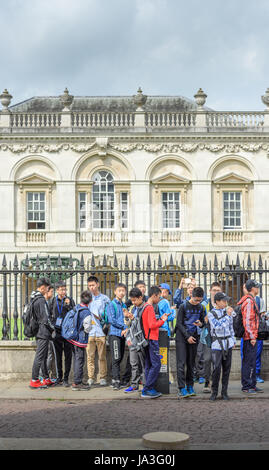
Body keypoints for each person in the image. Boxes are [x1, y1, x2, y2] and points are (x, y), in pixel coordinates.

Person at [175, 286, 206, 398]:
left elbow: (203, 322)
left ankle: (190, 386)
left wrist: (200, 324)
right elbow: (178, 323)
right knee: (181, 363)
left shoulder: (201, 307)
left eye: (199, 300)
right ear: (191, 296)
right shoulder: (183, 306)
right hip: (182, 337)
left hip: (194, 337)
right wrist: (187, 336)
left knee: (191, 363)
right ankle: (181, 388)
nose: (197, 302)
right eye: (195, 299)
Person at [141, 286, 169, 398]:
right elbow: (152, 325)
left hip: (147, 339)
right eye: (159, 297)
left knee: (149, 364)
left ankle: (147, 387)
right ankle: (148, 388)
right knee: (156, 364)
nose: (159, 299)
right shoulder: (150, 308)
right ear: (154, 296)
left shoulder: (144, 306)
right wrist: (162, 320)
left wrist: (159, 319)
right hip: (152, 339)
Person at [207, 292, 236, 401]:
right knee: (216, 369)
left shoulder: (227, 312)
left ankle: (224, 392)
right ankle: (214, 391)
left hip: (227, 343)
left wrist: (232, 340)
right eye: (223, 301)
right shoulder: (211, 313)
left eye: (226, 301)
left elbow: (231, 327)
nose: (225, 303)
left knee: (227, 369)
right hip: (217, 344)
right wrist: (228, 316)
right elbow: (218, 326)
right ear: (217, 302)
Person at [29, 278, 55, 389]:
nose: (48, 290)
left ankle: (45, 378)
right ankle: (34, 380)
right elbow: (46, 318)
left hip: (39, 331)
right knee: (40, 357)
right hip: (43, 331)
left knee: (43, 356)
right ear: (43, 287)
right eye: (48, 288)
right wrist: (53, 329)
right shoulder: (41, 300)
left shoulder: (34, 298)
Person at [238, 279, 263, 394]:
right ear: (252, 288)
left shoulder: (250, 300)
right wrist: (252, 336)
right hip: (249, 337)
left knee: (252, 361)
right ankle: (247, 386)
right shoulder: (249, 301)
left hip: (251, 336)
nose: (258, 288)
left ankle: (252, 385)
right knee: (249, 362)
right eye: (257, 286)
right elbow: (248, 321)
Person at [86, 276, 111, 387]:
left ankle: (103, 377)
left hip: (101, 331)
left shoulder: (105, 298)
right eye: (90, 285)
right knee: (90, 356)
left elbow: (109, 313)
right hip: (90, 332)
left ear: (98, 285)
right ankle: (90, 377)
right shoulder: (86, 298)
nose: (91, 287)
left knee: (102, 356)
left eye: (93, 285)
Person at [50, 281, 75, 387]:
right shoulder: (53, 301)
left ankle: (66, 378)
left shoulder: (70, 300)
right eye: (61, 289)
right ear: (57, 290)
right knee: (58, 356)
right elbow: (49, 315)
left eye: (65, 289)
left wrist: (68, 306)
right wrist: (52, 327)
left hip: (68, 333)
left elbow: (74, 314)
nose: (63, 291)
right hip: (57, 332)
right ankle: (59, 377)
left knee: (68, 356)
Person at [68, 290, 93, 391]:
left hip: (73, 338)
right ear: (90, 300)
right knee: (80, 360)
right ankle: (77, 382)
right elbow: (87, 327)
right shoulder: (86, 311)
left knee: (76, 359)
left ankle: (77, 380)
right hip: (80, 338)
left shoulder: (77, 307)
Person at [107, 283, 130, 390]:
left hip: (122, 334)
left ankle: (115, 378)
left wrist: (126, 326)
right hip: (115, 334)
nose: (121, 293)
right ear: (115, 292)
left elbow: (126, 319)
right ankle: (115, 380)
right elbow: (111, 320)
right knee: (116, 357)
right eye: (119, 290)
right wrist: (123, 327)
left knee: (119, 357)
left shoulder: (124, 305)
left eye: (123, 291)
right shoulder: (112, 304)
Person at [123, 287, 146, 393]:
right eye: (132, 300)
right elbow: (129, 324)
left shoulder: (145, 308)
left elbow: (143, 324)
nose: (133, 302)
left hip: (142, 340)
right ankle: (134, 384)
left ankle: (146, 384)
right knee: (133, 363)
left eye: (135, 300)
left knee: (144, 364)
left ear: (140, 297)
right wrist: (127, 318)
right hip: (132, 340)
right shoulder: (133, 308)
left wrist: (133, 319)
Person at [201, 282, 222, 393]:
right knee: (207, 359)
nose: (215, 292)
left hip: (220, 338)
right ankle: (206, 381)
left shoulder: (223, 304)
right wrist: (203, 321)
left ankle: (215, 382)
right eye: (214, 290)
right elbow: (200, 321)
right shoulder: (204, 304)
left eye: (218, 290)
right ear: (210, 291)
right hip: (207, 337)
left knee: (217, 362)